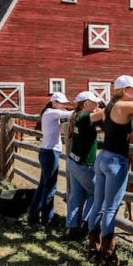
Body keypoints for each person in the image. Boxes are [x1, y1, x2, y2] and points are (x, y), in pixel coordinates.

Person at [87, 75, 133, 266]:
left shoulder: (109, 108)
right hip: (116, 161)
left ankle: (93, 247)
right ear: (124, 90)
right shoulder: (126, 106)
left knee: (98, 203)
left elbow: (90, 118)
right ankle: (108, 254)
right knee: (111, 208)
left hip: (103, 157)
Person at [28, 92, 73, 228]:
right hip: (51, 152)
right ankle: (47, 219)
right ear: (54, 103)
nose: (64, 106)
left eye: (65, 104)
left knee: (43, 185)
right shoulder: (52, 113)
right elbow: (70, 114)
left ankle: (34, 215)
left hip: (47, 151)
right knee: (50, 187)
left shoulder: (49, 112)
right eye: (62, 103)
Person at [64, 91, 103, 241]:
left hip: (73, 161)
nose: (98, 104)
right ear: (86, 103)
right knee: (96, 194)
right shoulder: (86, 116)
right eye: (95, 102)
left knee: (76, 195)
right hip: (84, 164)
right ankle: (86, 226)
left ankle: (72, 228)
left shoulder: (76, 116)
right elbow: (108, 112)